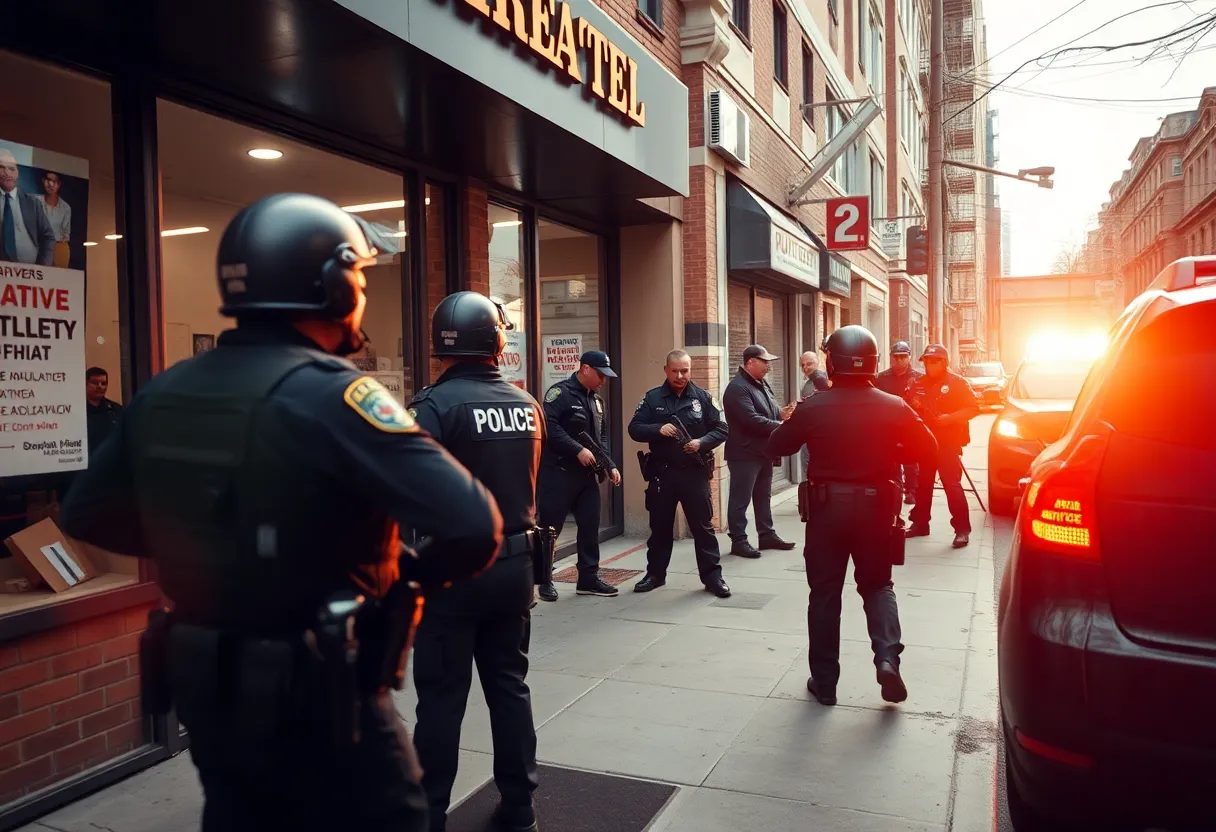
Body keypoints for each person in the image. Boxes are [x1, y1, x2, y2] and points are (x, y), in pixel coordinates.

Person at [58, 193, 503, 832]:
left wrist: (212, 546)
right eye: (357, 276)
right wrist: (399, 579)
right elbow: (473, 524)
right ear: (329, 285)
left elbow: (86, 515)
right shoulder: (334, 395)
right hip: (321, 691)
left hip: (206, 687)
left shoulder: (166, 390)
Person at [409, 291, 544, 832]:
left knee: (441, 699)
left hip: (451, 570)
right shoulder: (527, 403)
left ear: (441, 345)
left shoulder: (432, 408)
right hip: (514, 568)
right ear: (496, 342)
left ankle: (428, 816)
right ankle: (520, 807)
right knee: (510, 687)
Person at [767, 325, 937, 707]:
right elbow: (929, 449)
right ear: (874, 362)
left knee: (825, 595)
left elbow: (777, 444)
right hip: (877, 512)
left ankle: (825, 683)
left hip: (828, 514)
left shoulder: (815, 405)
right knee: (878, 586)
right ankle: (887, 659)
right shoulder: (893, 406)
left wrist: (797, 421)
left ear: (832, 361)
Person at [628, 349, 731, 598]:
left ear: (690, 369)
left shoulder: (703, 398)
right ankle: (655, 575)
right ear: (666, 370)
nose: (680, 375)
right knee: (660, 528)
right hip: (662, 474)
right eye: (675, 371)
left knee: (703, 528)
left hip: (694, 474)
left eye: (684, 370)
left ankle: (713, 578)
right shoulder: (652, 398)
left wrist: (701, 442)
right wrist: (657, 429)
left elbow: (722, 429)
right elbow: (634, 429)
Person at [536, 350, 621, 601]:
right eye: (600, 374)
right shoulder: (559, 394)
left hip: (586, 478)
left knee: (589, 527)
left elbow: (601, 438)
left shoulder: (597, 401)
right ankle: (544, 580)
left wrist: (610, 464)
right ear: (585, 369)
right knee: (550, 529)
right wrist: (577, 449)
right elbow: (549, 427)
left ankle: (588, 578)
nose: (603, 381)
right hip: (559, 473)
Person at [721, 344, 796, 558]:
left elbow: (769, 412)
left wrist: (782, 414)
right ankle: (739, 540)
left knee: (763, 497)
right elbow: (752, 420)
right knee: (740, 499)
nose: (768, 367)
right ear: (750, 362)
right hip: (744, 454)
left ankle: (766, 535)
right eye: (765, 363)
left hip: (763, 452)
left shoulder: (760, 384)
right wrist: (782, 426)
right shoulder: (737, 388)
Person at [905, 344, 980, 548]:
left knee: (952, 485)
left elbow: (974, 408)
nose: (930, 365)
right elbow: (908, 408)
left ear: (944, 362)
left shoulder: (957, 383)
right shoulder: (917, 384)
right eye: (927, 361)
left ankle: (962, 530)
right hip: (925, 443)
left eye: (935, 361)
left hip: (948, 442)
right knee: (923, 485)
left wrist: (950, 418)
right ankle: (920, 524)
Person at [875, 342, 924, 505]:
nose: (900, 360)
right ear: (891, 358)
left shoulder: (918, 378)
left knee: (911, 461)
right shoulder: (881, 378)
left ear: (909, 357)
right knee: (892, 461)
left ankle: (911, 491)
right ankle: (896, 488)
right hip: (888, 426)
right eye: (896, 357)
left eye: (903, 356)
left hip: (909, 425)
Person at [0, 148, 55, 265]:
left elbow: (48, 237)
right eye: (2, 168)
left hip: (30, 276)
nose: (7, 173)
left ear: (17, 173)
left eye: (11, 169)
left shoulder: (33, 203)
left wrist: (44, 267)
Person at [797, 351, 831, 476]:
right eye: (802, 365)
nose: (805, 368)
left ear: (817, 363)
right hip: (809, 434)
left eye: (809, 364)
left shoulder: (822, 380)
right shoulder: (807, 384)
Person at [34, 169, 72, 268]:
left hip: (58, 248)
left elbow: (65, 234)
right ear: (43, 181)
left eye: (54, 181)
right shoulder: (35, 201)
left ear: (59, 184)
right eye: (48, 180)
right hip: (37, 247)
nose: (50, 184)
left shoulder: (65, 208)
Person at [84, 366, 123, 456]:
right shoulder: (77, 409)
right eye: (94, 383)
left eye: (103, 383)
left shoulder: (115, 410)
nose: (100, 386)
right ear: (85, 383)